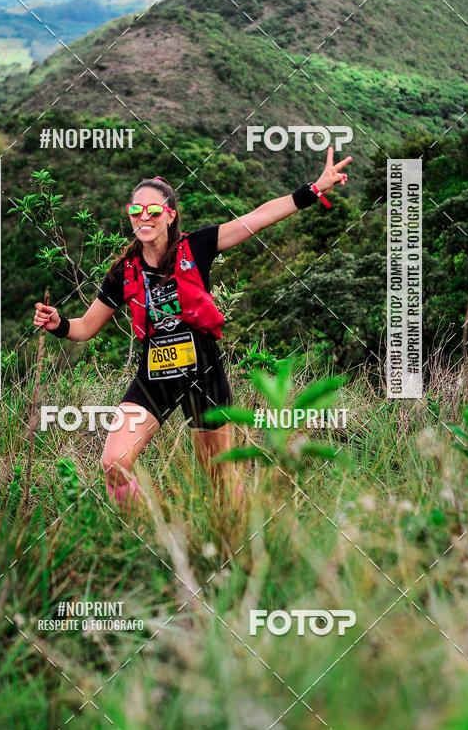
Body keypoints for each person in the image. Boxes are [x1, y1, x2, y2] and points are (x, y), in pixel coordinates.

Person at [34, 146, 352, 514]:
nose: (144, 217)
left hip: (204, 372)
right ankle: (148, 533)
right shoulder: (124, 271)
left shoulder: (197, 247)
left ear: (169, 215)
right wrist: (58, 324)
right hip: (154, 376)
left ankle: (241, 542)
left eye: (153, 210)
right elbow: (85, 327)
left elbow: (257, 218)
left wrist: (313, 189)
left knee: (220, 480)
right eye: (136, 210)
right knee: (113, 463)